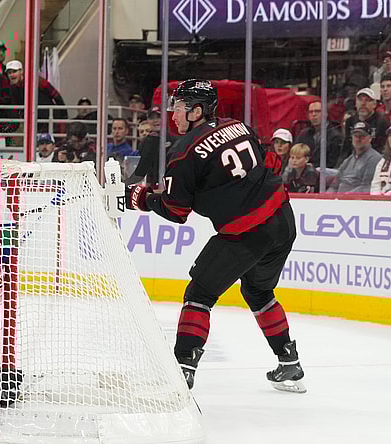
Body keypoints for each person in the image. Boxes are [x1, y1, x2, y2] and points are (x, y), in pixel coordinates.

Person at [124, 79, 305, 393]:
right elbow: (271, 164)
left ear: (196, 111)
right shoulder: (240, 126)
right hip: (284, 221)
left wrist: (143, 199)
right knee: (259, 293)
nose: (173, 115)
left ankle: (182, 371)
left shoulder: (182, 154)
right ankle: (289, 362)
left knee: (199, 295)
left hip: (246, 232)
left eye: (178, 107)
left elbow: (177, 212)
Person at [327, 121, 382, 193]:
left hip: (356, 201)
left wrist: (344, 198)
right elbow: (334, 186)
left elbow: (367, 187)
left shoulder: (374, 158)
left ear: (370, 138)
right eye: (356, 135)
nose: (358, 139)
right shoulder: (348, 160)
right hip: (339, 200)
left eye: (362, 136)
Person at [294, 100, 343, 169]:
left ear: (326, 114)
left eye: (317, 111)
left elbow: (333, 164)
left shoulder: (335, 137)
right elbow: (294, 154)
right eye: (311, 112)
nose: (314, 114)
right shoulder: (303, 134)